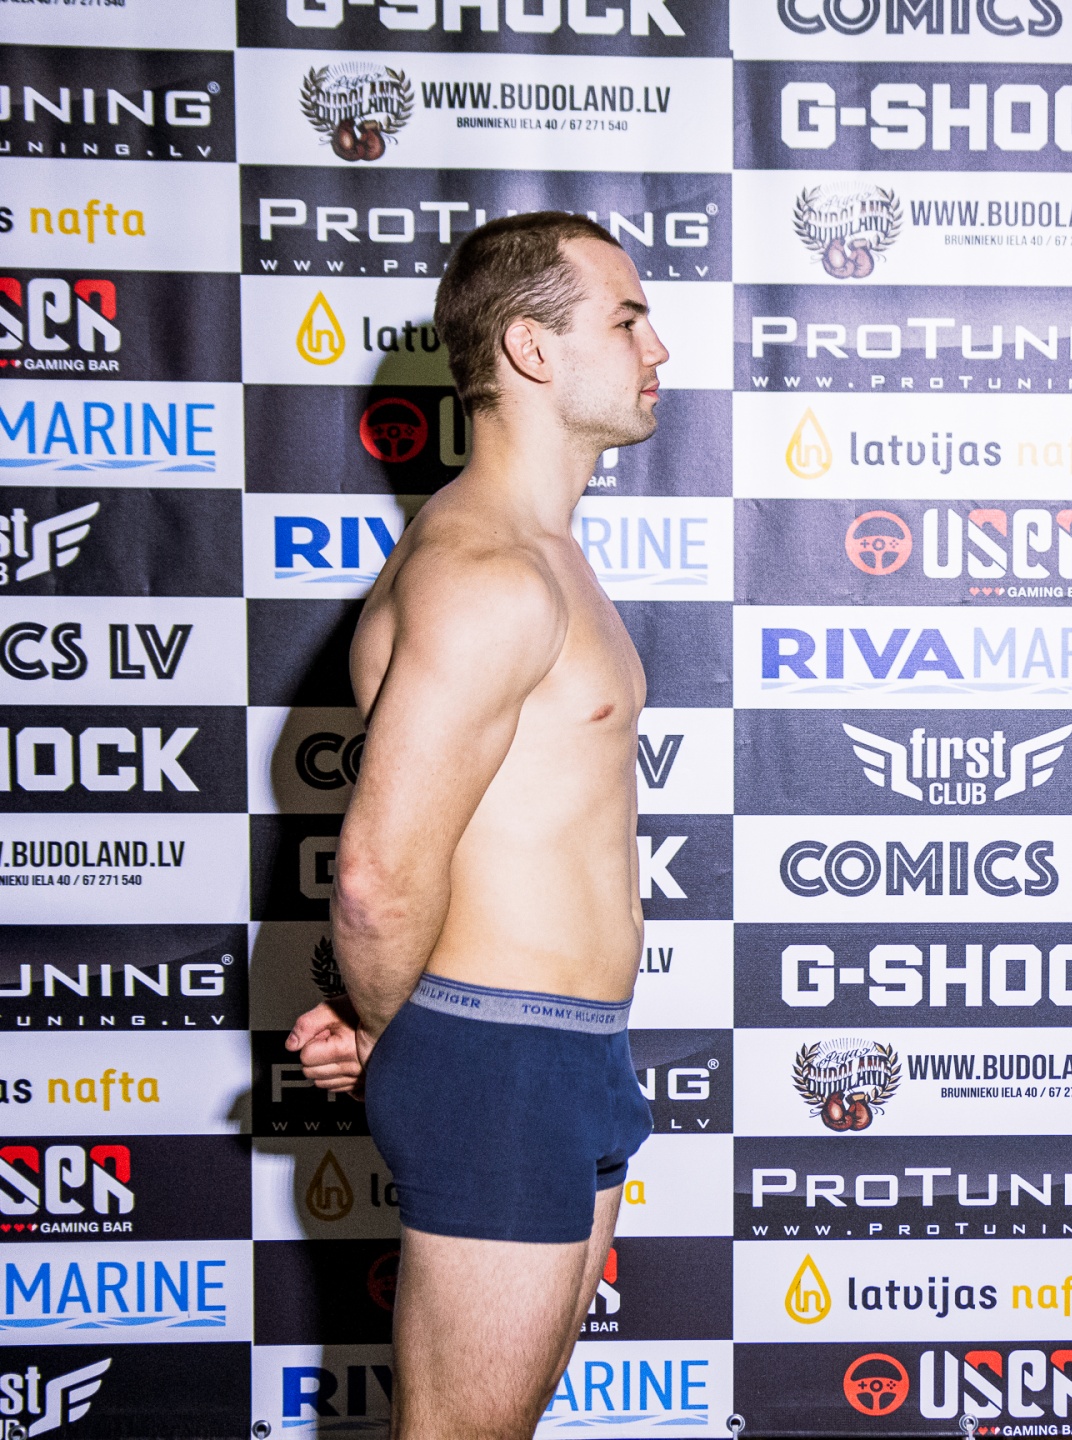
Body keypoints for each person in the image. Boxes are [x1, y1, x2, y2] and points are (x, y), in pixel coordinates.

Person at [283, 211, 669, 1439]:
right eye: (627, 318)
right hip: (497, 1060)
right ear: (531, 349)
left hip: (563, 1052)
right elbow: (374, 877)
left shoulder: (548, 555)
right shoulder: (484, 570)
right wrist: (395, 1034)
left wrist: (387, 1025)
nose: (657, 347)